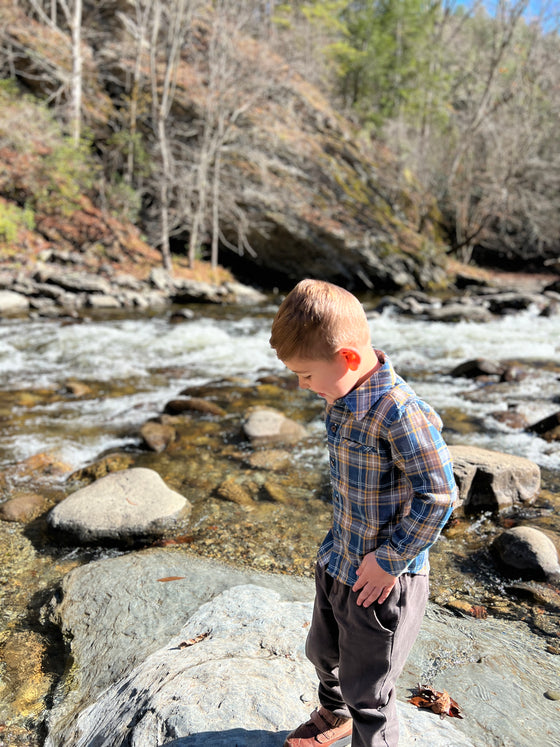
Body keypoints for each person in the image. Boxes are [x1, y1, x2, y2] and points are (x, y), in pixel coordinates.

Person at [269, 279, 457, 747]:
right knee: (322, 651)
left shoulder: (400, 412)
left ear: (349, 358)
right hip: (340, 559)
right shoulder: (341, 395)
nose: (302, 385)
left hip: (384, 579)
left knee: (368, 687)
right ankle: (334, 716)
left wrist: (391, 558)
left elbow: (438, 495)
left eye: (307, 375)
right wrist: (335, 555)